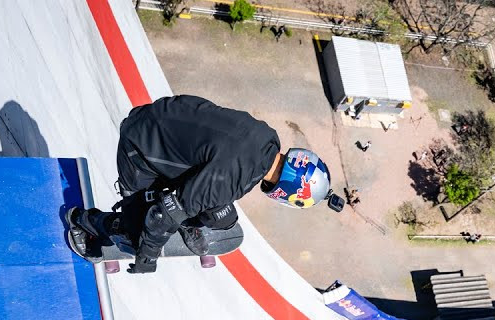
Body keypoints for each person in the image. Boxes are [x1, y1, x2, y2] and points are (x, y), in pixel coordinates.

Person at [68, 95, 331, 274]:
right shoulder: (233, 179)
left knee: (218, 214)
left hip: (160, 120)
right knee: (139, 235)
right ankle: (86, 222)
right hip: (140, 150)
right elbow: (163, 215)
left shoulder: (266, 137)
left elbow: (218, 168)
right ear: (288, 191)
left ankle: (186, 215)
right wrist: (147, 256)